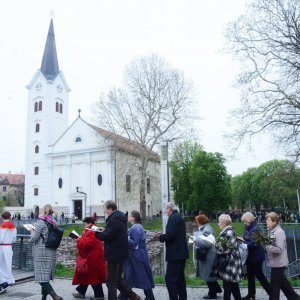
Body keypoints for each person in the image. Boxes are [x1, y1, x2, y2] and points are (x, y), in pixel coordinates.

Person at [94, 200, 141, 300]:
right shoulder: (119, 217)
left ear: (111, 209)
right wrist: (104, 229)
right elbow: (113, 232)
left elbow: (108, 236)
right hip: (121, 254)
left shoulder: (114, 219)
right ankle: (134, 297)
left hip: (114, 254)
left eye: (105, 209)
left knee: (110, 282)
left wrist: (96, 232)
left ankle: (133, 297)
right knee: (118, 280)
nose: (105, 211)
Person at [29, 204, 63, 300]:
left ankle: (55, 296)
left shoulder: (40, 222)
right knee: (45, 275)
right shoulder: (53, 222)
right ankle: (43, 297)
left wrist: (31, 231)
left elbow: (34, 238)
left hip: (41, 252)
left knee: (41, 277)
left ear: (42, 211)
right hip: (51, 250)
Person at [119, 210, 155, 300]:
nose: (128, 217)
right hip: (137, 256)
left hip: (136, 257)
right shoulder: (137, 227)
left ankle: (124, 296)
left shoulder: (136, 228)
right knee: (134, 276)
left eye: (130, 216)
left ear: (134, 217)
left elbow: (133, 243)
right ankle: (124, 295)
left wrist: (125, 236)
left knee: (135, 276)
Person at [265, 212, 300, 300]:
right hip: (275, 263)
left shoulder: (279, 232)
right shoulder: (271, 231)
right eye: (266, 220)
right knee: (284, 285)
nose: (266, 222)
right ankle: (295, 298)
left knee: (274, 288)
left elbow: (279, 249)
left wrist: (266, 246)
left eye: (268, 220)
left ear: (274, 221)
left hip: (278, 264)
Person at [159, 202, 189, 300]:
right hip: (181, 253)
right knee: (180, 279)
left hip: (175, 254)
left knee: (170, 279)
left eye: (165, 209)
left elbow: (170, 235)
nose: (165, 211)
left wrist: (161, 237)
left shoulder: (173, 218)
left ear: (169, 209)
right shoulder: (178, 217)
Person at [72, 217, 106, 300]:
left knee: (94, 277)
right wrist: (81, 237)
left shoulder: (91, 231)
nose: (84, 226)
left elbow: (86, 244)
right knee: (86, 275)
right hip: (93, 258)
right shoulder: (92, 230)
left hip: (92, 259)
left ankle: (99, 295)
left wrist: (78, 239)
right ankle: (81, 292)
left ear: (88, 223)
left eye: (84, 224)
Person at [241, 212, 270, 300]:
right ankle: (251, 294)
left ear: (249, 220)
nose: (244, 223)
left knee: (259, 275)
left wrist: (244, 244)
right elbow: (246, 238)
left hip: (256, 256)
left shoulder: (255, 229)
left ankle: (271, 293)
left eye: (245, 221)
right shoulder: (247, 227)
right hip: (250, 256)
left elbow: (254, 243)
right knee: (250, 275)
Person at [193, 214, 222, 299]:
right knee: (208, 274)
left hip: (209, 255)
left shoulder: (207, 229)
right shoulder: (206, 228)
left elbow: (208, 243)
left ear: (200, 221)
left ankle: (213, 294)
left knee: (208, 275)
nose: (196, 223)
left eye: (197, 221)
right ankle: (214, 291)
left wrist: (196, 241)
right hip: (206, 254)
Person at [216, 214, 242, 300]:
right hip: (232, 260)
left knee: (227, 285)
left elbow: (225, 249)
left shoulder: (227, 233)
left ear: (223, 223)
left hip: (230, 262)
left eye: (219, 222)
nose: (218, 224)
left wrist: (214, 246)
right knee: (233, 285)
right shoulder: (229, 231)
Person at [0, 211, 17, 294]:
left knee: (1, 265)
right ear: (9, 217)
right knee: (7, 265)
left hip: (2, 247)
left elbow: (1, 238)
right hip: (9, 247)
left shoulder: (2, 226)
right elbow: (14, 238)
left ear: (2, 217)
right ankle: (7, 281)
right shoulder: (13, 226)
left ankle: (3, 283)